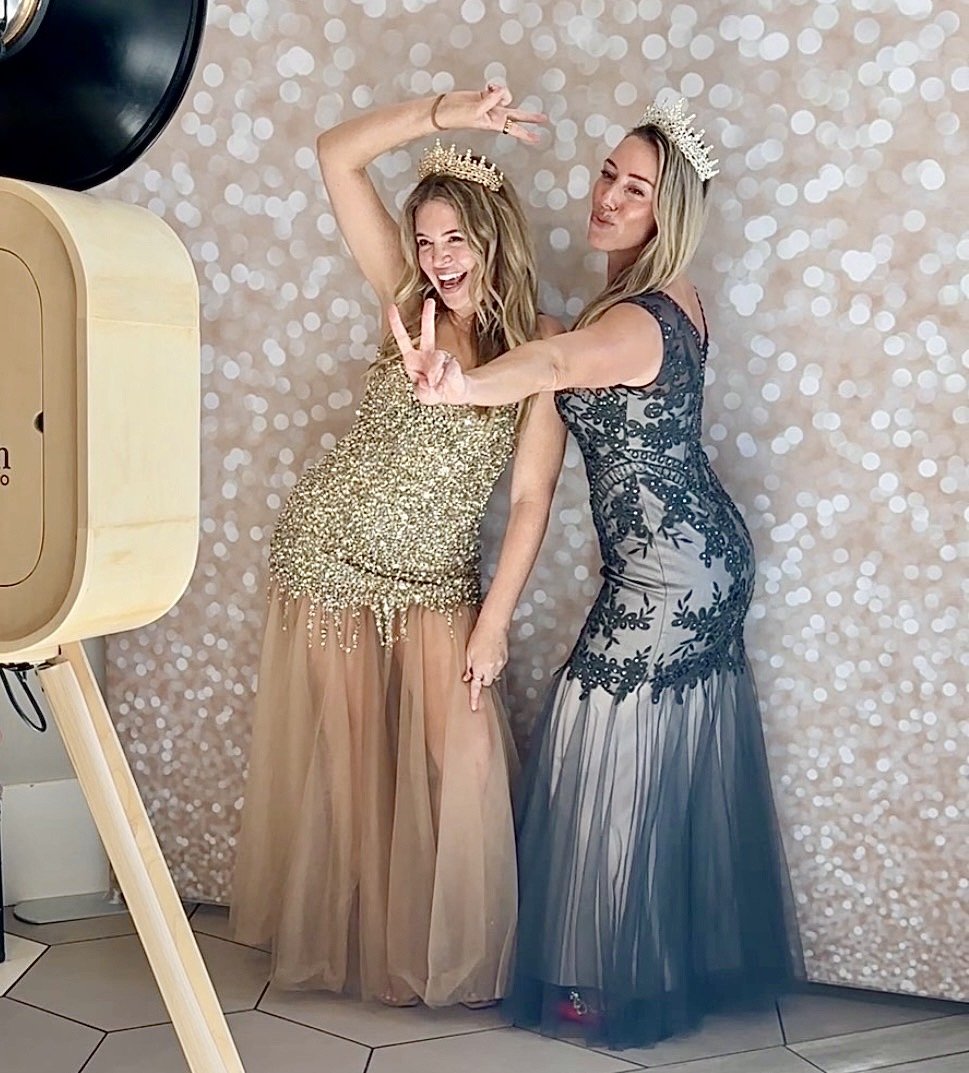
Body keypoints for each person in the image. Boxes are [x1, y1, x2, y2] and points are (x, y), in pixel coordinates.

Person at [395, 97, 803, 1046]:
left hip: (674, 570)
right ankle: (672, 957)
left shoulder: (634, 320)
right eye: (608, 174)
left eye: (637, 188)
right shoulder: (664, 295)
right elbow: (555, 368)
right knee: (661, 747)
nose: (609, 197)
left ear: (668, 213)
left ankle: (599, 978)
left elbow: (555, 361)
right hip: (699, 559)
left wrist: (464, 384)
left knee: (601, 726)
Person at [230, 86, 566, 1009]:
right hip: (328, 556)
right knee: (352, 764)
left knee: (453, 765)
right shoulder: (403, 300)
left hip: (434, 581)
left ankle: (450, 963)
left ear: (495, 236)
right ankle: (373, 962)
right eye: (424, 239)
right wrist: (440, 113)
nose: (437, 258)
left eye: (455, 237)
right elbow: (334, 153)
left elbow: (531, 496)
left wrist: (492, 623)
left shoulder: (542, 344)